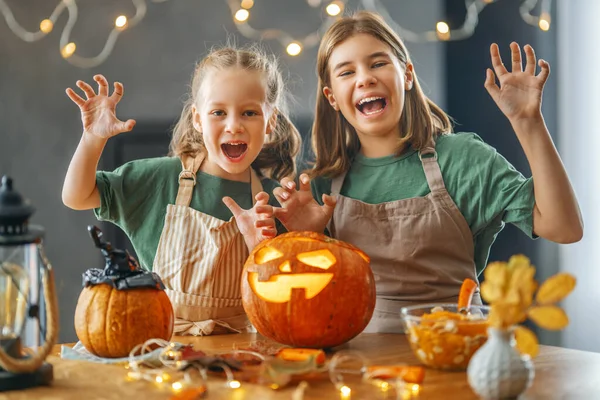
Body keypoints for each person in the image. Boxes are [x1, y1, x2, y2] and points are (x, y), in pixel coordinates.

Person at [273, 11, 583, 333]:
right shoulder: (321, 186)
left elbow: (564, 228)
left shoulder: (463, 160)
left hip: (455, 352)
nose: (365, 78)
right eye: (347, 72)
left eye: (378, 63)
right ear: (332, 97)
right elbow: (301, 299)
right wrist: (306, 239)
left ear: (407, 76)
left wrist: (527, 121)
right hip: (358, 364)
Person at [62, 45, 301, 336]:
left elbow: (288, 303)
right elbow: (77, 196)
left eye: (249, 112)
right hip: (162, 350)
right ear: (198, 119)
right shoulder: (160, 179)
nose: (233, 125)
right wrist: (92, 139)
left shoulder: (274, 202)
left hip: (242, 358)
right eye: (218, 112)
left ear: (270, 122)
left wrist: (262, 246)